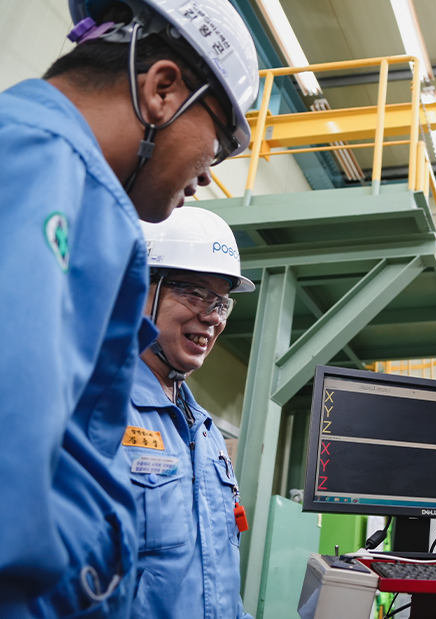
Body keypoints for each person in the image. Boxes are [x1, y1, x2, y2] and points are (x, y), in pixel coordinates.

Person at [0, 1, 257, 616]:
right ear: (163, 88)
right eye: (217, 143)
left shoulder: (75, 188)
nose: (204, 175)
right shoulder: (40, 165)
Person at [127, 207, 254, 618]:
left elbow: (217, 585)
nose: (213, 317)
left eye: (221, 302)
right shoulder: (94, 409)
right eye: (195, 293)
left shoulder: (206, 434)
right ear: (139, 288)